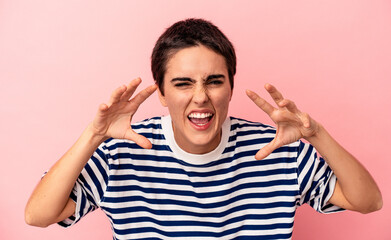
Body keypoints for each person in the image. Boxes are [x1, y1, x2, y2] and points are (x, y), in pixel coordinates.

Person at [25, 18, 382, 239]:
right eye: (182, 84)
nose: (200, 97)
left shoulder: (278, 149)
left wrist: (316, 135)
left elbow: (369, 202)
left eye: (214, 81)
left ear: (230, 86)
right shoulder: (122, 150)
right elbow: (38, 216)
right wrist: (93, 136)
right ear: (162, 94)